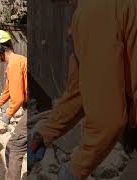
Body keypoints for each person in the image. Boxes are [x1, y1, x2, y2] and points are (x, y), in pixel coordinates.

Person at [29, 0, 137, 179]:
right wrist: (47, 132)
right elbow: (78, 92)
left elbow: (108, 120)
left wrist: (73, 170)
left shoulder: (96, 8)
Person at [0, 30, 28, 180]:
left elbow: (17, 99)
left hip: (36, 110)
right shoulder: (17, 61)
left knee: (13, 147)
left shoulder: (14, 64)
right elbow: (8, 91)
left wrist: (6, 117)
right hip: (39, 107)